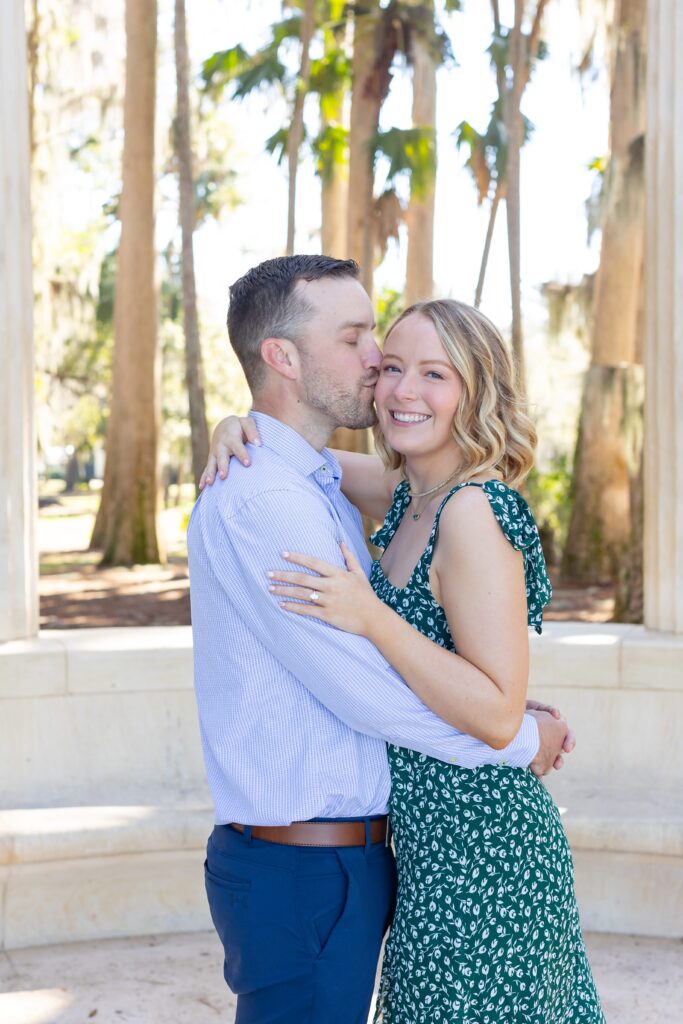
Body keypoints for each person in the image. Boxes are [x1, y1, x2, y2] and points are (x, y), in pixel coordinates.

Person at [188, 254, 575, 1024]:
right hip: (390, 848)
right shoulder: (362, 493)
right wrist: (238, 427)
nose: (387, 377)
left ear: (475, 388)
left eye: (432, 374)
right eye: (374, 349)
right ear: (283, 357)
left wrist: (374, 618)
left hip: (469, 847)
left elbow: (482, 704)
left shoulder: (457, 506)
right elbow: (305, 458)